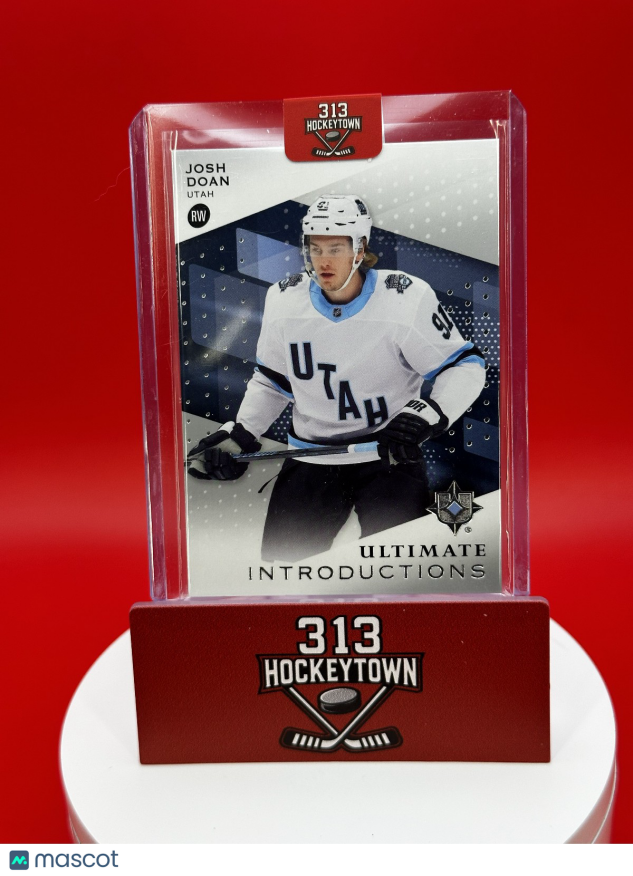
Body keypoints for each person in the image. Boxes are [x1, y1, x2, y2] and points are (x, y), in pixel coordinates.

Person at [188, 195, 486, 560]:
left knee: (404, 573)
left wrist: (428, 413)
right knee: (283, 573)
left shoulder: (406, 297)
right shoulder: (284, 299)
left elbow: (465, 365)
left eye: (335, 248)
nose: (323, 261)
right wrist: (242, 434)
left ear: (360, 248)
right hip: (310, 458)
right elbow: (273, 381)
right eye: (315, 249)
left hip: (389, 459)